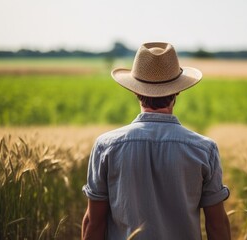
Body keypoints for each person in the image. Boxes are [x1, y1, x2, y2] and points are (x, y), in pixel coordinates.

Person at [82, 42, 231, 240]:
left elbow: (93, 222)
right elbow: (217, 225)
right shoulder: (204, 149)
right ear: (177, 91)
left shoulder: (106, 146)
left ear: (135, 91)